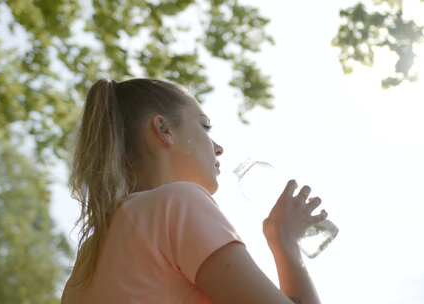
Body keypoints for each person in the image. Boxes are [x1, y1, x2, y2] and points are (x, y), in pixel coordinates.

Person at [61, 78, 328, 304]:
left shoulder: (88, 259)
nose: (218, 147)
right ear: (164, 130)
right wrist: (285, 244)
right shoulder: (177, 203)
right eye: (204, 126)